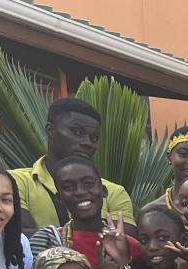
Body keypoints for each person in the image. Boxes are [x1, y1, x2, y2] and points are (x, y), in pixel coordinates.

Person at [11, 97, 135, 231]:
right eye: (78, 132)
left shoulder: (113, 191)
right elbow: (18, 235)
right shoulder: (16, 181)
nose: (88, 143)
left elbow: (122, 241)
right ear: (51, 131)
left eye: (94, 138)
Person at [27, 155, 143, 269]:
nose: (80, 192)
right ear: (59, 198)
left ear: (103, 191)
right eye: (68, 187)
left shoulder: (130, 246)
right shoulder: (48, 242)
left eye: (88, 183)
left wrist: (123, 263)